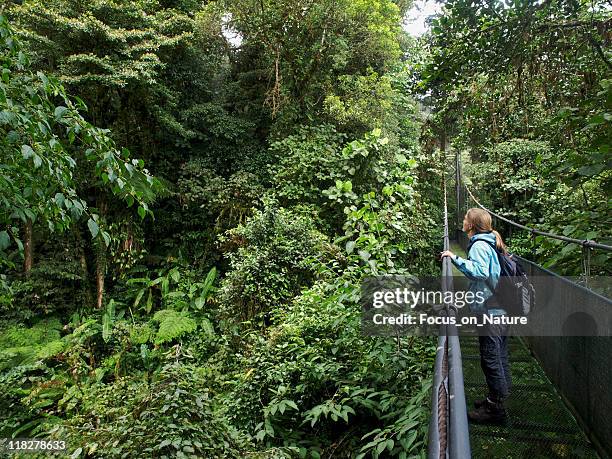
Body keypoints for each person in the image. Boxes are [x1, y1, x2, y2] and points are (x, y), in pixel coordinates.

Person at [440, 207, 511, 424]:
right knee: (499, 355)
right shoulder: (491, 241)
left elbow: (480, 272)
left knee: (490, 358)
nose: (462, 220)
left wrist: (454, 258)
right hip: (501, 308)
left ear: (471, 224)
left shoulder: (480, 245)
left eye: (465, 218)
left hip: (491, 311)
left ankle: (496, 410)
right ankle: (495, 399)